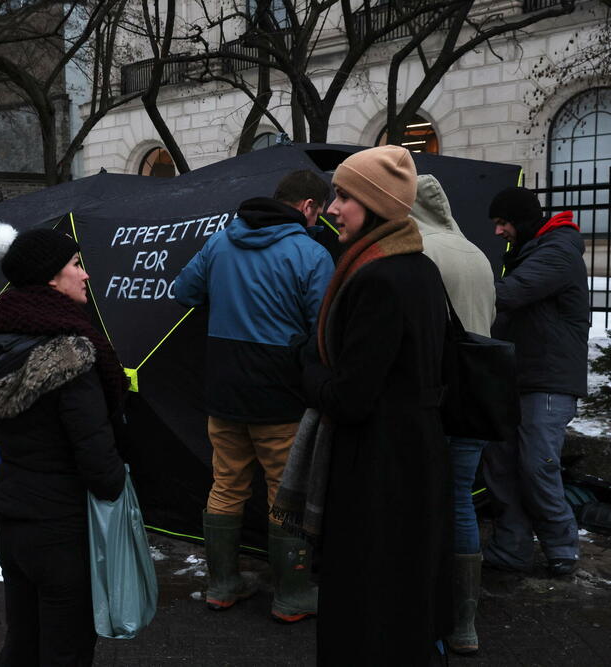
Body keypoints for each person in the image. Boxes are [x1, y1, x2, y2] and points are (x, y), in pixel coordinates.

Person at [293, 145, 451, 664]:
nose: (332, 208)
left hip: (378, 470)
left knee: (368, 608)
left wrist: (307, 368)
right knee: (403, 601)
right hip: (413, 458)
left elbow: (351, 398)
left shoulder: (378, 277)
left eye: (344, 196)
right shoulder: (419, 267)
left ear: (377, 204)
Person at [0, 223, 127, 666]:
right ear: (51, 277)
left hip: (13, 520)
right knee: (65, 650)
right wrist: (116, 486)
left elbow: (2, 433)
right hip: (62, 528)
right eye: (75, 264)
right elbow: (97, 457)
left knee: (22, 643)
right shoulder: (70, 354)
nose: (85, 274)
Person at [174, 170, 334, 621]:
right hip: (280, 394)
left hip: (223, 388)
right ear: (308, 206)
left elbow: (184, 291)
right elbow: (325, 329)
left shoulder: (221, 241)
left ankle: (222, 585)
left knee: (226, 484)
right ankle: (291, 595)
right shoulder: (310, 253)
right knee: (285, 494)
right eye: (320, 212)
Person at [482, 187, 589, 578]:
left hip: (548, 380)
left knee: (536, 465)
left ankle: (562, 546)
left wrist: (462, 284)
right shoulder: (531, 250)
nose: (499, 232)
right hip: (520, 375)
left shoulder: (557, 251)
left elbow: (510, 294)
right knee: (501, 464)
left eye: (503, 223)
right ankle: (511, 549)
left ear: (523, 221)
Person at [411, 174, 496, 654]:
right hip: (477, 395)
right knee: (460, 499)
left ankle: (424, 609)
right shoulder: (476, 253)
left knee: (421, 501)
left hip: (435, 395)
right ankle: (465, 623)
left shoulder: (420, 251)